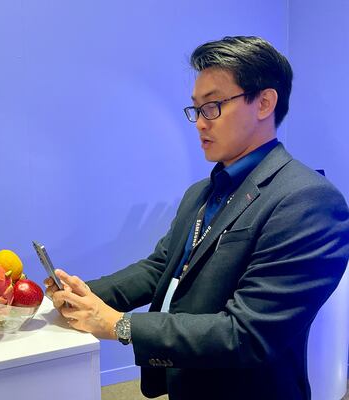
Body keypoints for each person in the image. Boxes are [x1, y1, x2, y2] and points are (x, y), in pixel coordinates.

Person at [45, 36, 349, 400]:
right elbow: (162, 267)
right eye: (196, 109)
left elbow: (248, 334)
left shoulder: (307, 200)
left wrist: (119, 325)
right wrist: (83, 294)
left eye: (213, 106)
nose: (200, 123)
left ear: (265, 102)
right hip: (188, 379)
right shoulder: (201, 193)